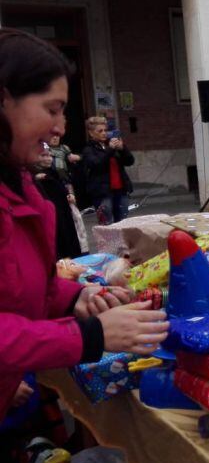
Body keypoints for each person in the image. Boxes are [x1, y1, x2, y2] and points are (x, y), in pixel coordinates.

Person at [0, 28, 169, 422]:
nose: (61, 127)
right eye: (52, 109)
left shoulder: (21, 183)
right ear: (4, 99)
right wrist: (89, 336)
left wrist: (74, 298)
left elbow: (18, 290)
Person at [36, 122, 84, 259]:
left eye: (49, 156)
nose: (47, 159)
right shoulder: (34, 175)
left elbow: (62, 186)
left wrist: (68, 194)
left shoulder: (53, 172)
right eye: (43, 156)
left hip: (62, 212)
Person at [82, 116, 134, 225]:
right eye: (100, 131)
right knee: (107, 225)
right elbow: (96, 165)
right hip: (103, 193)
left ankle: (122, 243)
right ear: (91, 133)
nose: (104, 133)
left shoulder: (111, 146)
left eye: (105, 130)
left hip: (121, 190)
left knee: (123, 224)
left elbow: (130, 161)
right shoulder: (88, 149)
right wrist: (110, 150)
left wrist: (123, 148)